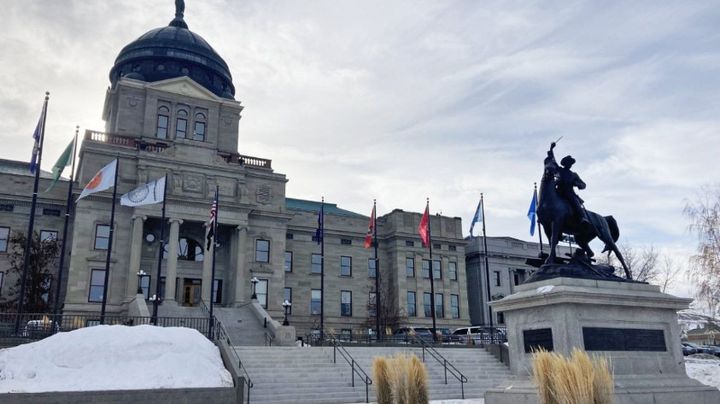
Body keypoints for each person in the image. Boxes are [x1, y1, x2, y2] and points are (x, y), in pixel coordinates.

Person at [547, 142, 589, 225]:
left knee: (575, 203)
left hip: (569, 193)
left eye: (571, 163)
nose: (570, 165)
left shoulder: (574, 175)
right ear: (565, 163)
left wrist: (578, 184)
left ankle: (582, 217)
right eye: (568, 163)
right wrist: (551, 149)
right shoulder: (559, 170)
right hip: (558, 191)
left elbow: (583, 184)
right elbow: (553, 160)